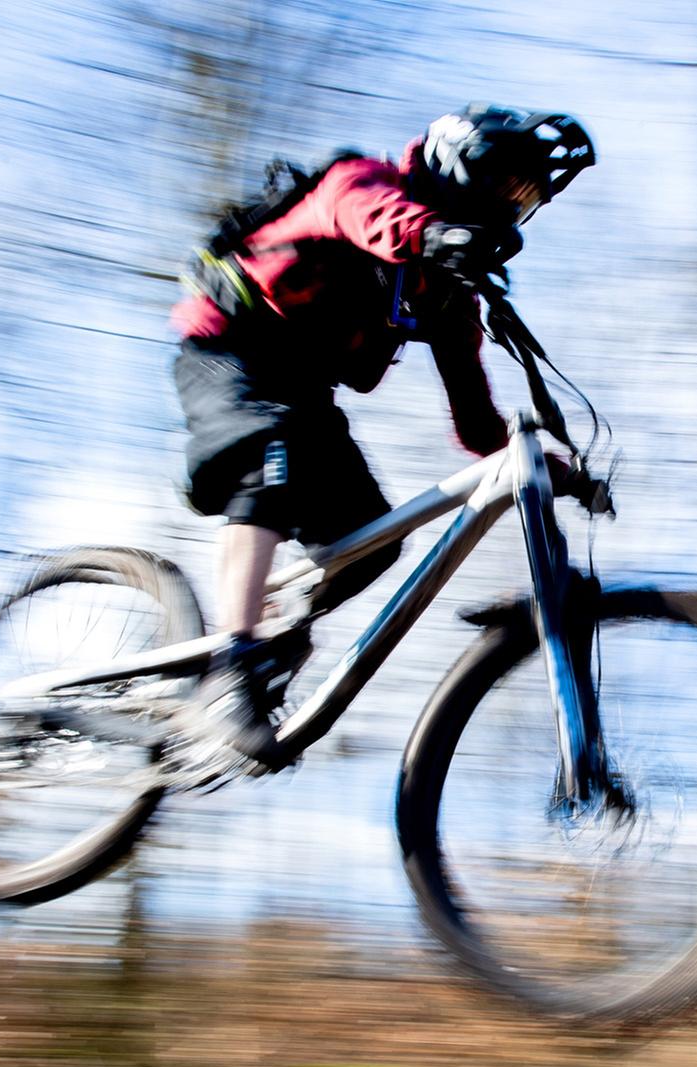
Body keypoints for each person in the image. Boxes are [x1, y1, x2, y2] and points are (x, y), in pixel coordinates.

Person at [170, 103, 595, 759]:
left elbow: (476, 422)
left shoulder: (445, 294)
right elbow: (378, 221)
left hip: (301, 394)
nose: (513, 208)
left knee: (371, 543)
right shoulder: (363, 183)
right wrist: (435, 236)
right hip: (231, 350)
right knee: (272, 453)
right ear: (461, 163)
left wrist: (541, 461)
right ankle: (232, 663)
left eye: (527, 201)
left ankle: (276, 633)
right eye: (509, 186)